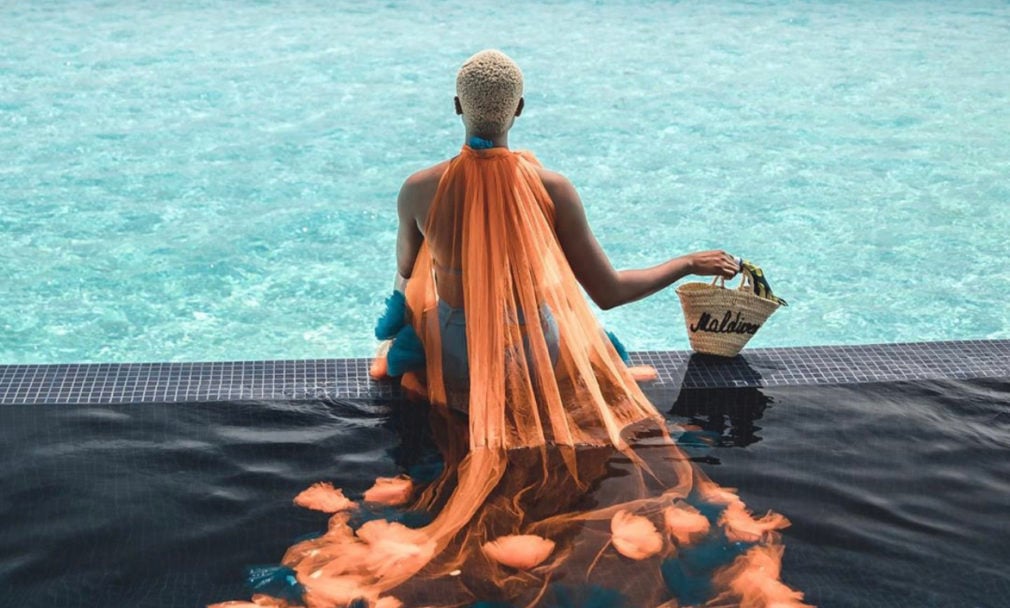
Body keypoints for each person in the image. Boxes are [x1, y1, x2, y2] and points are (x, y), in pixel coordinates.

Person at [211, 50, 808, 608]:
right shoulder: (552, 190)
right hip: (533, 354)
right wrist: (687, 262)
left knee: (436, 409)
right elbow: (608, 293)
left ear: (455, 106)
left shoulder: (419, 188)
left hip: (456, 353)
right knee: (581, 389)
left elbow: (404, 274)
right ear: (519, 110)